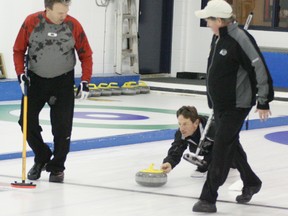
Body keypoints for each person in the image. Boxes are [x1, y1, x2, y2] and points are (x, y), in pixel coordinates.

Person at [193, 0, 274, 213]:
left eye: (209, 19)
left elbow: (260, 70)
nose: (207, 22)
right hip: (221, 105)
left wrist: (263, 100)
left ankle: (208, 198)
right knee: (231, 144)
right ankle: (252, 182)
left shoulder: (241, 39)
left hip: (237, 105)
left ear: (219, 20)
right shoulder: (218, 37)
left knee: (221, 148)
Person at [13, 0, 93, 183]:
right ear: (47, 9)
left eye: (66, 12)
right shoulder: (32, 22)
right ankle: (42, 156)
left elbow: (86, 54)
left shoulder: (73, 25)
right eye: (59, 13)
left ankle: (57, 167)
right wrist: (20, 75)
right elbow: (18, 50)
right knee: (25, 122)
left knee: (62, 128)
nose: (63, 16)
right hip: (36, 80)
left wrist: (85, 80)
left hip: (63, 81)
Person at [161, 106, 215, 177]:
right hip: (208, 149)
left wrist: (208, 163)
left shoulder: (212, 128)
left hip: (230, 149)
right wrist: (169, 162)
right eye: (180, 124)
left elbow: (226, 145)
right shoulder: (182, 133)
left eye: (185, 124)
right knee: (196, 148)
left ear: (196, 123)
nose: (181, 129)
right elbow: (177, 148)